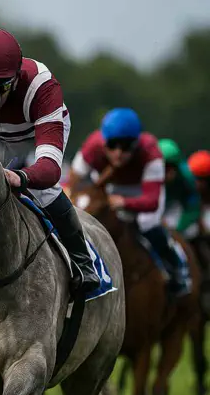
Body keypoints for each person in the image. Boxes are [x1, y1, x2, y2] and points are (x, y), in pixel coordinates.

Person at [0, 27, 100, 293]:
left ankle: (82, 260)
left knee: (44, 190)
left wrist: (20, 177)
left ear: (15, 78)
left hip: (32, 134)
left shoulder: (42, 87)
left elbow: (48, 169)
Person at [70, 109, 189, 295]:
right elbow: (73, 184)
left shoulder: (151, 152)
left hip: (142, 190)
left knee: (147, 223)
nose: (118, 153)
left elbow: (151, 202)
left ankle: (176, 268)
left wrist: (124, 202)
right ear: (103, 141)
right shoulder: (92, 146)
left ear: (137, 143)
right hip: (109, 188)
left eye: (126, 146)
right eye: (113, 145)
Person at [159, 138, 201, 239]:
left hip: (181, 210)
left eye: (168, 167)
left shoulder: (188, 178)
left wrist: (177, 229)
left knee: (192, 231)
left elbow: (193, 208)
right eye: (161, 167)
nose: (164, 173)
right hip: (162, 210)